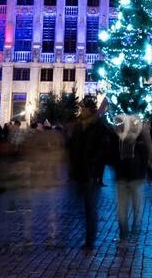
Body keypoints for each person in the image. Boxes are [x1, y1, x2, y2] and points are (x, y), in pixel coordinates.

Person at [66, 96, 110, 250]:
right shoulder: (79, 127)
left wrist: (93, 164)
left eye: (84, 109)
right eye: (82, 109)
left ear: (90, 110)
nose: (82, 111)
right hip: (78, 172)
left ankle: (89, 240)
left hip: (90, 173)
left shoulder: (98, 127)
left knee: (89, 208)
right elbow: (72, 147)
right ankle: (79, 236)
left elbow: (103, 148)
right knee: (78, 207)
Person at [114, 114, 151, 242]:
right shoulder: (119, 139)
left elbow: (145, 155)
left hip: (135, 178)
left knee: (134, 207)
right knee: (125, 209)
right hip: (124, 177)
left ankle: (132, 231)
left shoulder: (140, 138)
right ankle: (125, 233)